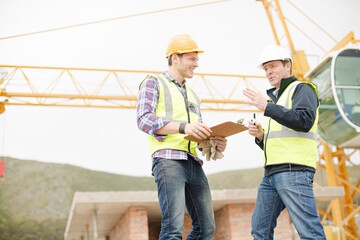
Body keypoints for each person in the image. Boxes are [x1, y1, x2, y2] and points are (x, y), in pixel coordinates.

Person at [136, 34, 227, 240]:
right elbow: (144, 119)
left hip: (194, 163)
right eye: (192, 59)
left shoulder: (193, 95)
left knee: (206, 229)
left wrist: (214, 143)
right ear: (174, 58)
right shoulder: (154, 82)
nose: (196, 64)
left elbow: (197, 135)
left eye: (197, 59)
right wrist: (184, 127)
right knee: (173, 229)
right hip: (168, 161)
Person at [242, 45, 326, 239]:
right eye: (265, 68)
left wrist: (267, 107)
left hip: (294, 172)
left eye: (273, 66)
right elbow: (281, 138)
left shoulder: (302, 89)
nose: (268, 72)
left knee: (309, 232)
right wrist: (261, 136)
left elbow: (304, 121)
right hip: (271, 174)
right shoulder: (277, 100)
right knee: (259, 231)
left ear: (287, 66)